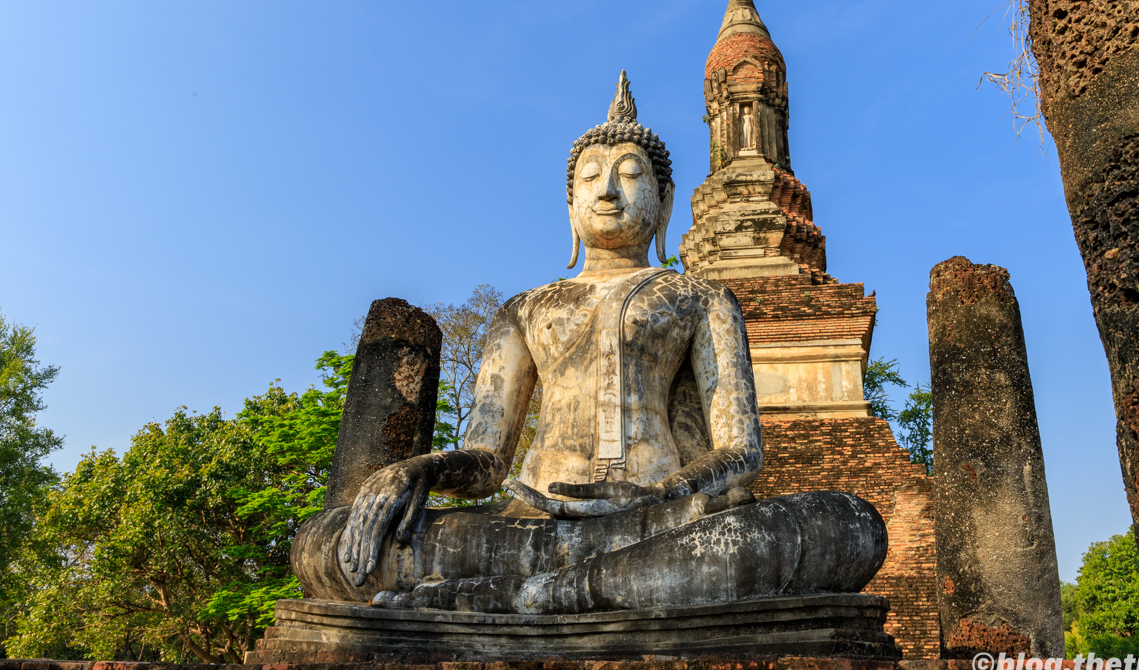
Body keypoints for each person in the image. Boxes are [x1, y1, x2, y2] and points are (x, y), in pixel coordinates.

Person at [291, 72, 887, 614]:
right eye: (589, 178)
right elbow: (488, 463)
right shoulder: (524, 309)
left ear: (665, 204)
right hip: (526, 525)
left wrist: (658, 491)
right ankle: (560, 586)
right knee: (329, 543)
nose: (608, 191)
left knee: (848, 526)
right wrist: (422, 468)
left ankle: (534, 596)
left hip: (657, 522)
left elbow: (741, 452)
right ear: (570, 205)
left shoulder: (700, 298)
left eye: (631, 175)